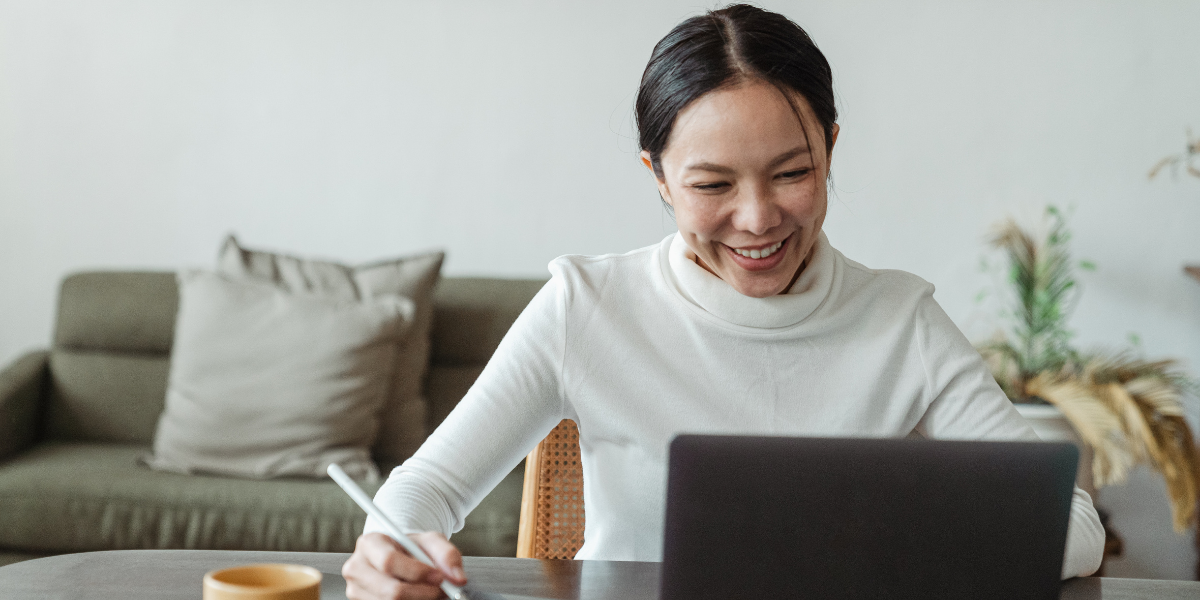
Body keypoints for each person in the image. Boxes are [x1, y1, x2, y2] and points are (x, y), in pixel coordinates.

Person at [342, 5, 1105, 598]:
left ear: (831, 150)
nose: (758, 218)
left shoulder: (901, 322)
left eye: (792, 173)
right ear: (660, 178)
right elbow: (426, 488)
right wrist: (391, 550)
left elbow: (1071, 526)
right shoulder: (587, 306)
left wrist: (898, 539)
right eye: (712, 185)